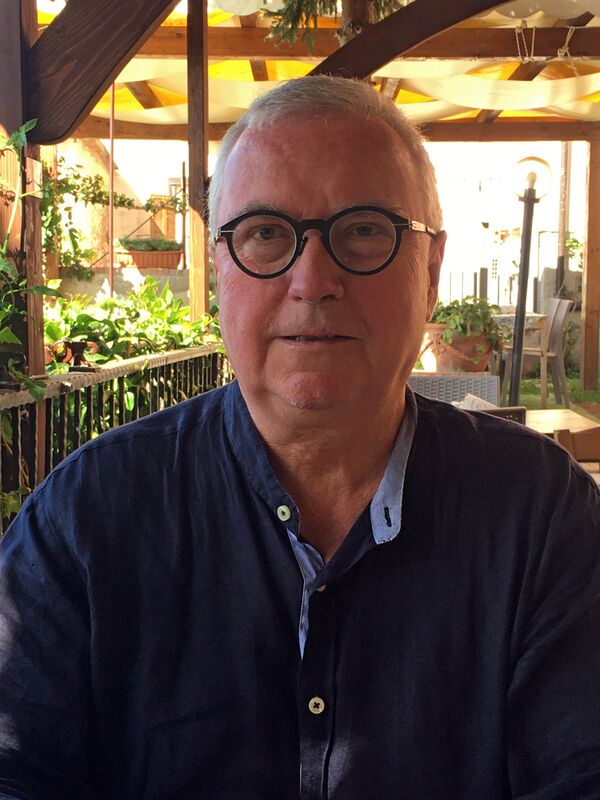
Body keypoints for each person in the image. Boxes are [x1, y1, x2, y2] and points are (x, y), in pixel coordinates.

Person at [1, 75, 599, 800]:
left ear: (432, 270)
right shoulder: (87, 518)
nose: (313, 280)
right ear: (219, 270)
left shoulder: (542, 516)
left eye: (365, 230)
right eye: (265, 233)